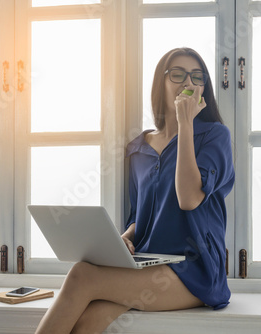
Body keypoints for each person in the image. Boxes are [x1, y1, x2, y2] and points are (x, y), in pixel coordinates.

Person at [34, 47, 235, 334]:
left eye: (197, 76)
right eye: (177, 74)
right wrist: (125, 238)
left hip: (195, 271)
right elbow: (140, 216)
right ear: (160, 83)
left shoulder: (215, 135)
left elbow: (189, 199)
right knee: (89, 320)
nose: (188, 83)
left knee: (82, 275)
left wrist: (186, 124)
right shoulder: (139, 147)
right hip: (146, 264)